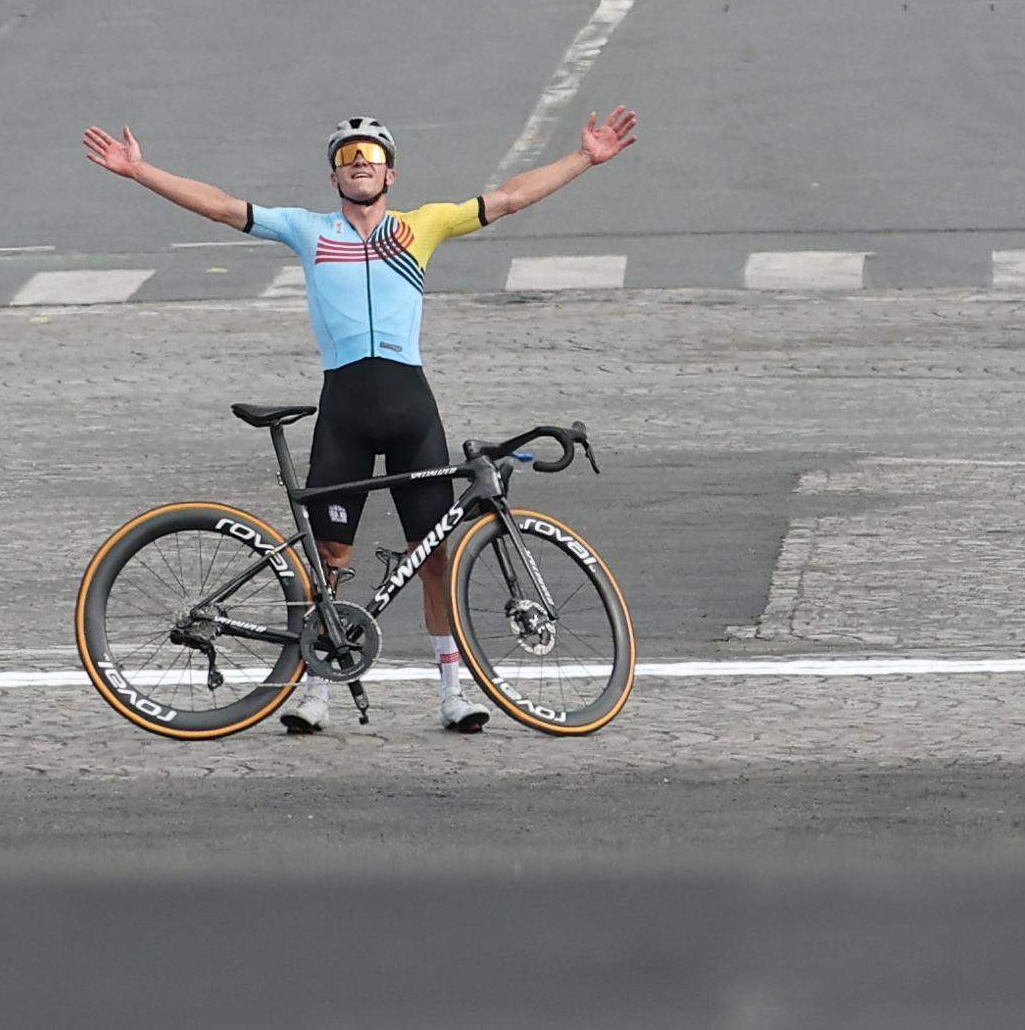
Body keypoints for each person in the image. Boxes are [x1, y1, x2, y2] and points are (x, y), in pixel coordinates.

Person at [84, 107, 638, 734]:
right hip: (344, 410)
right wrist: (139, 171)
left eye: (370, 158)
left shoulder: (421, 226)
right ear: (334, 179)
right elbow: (220, 206)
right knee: (329, 555)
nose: (359, 167)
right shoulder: (307, 229)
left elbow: (508, 198)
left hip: (410, 409)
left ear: (390, 174)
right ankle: (317, 688)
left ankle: (453, 693)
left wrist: (585, 159)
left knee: (435, 558)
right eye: (347, 160)